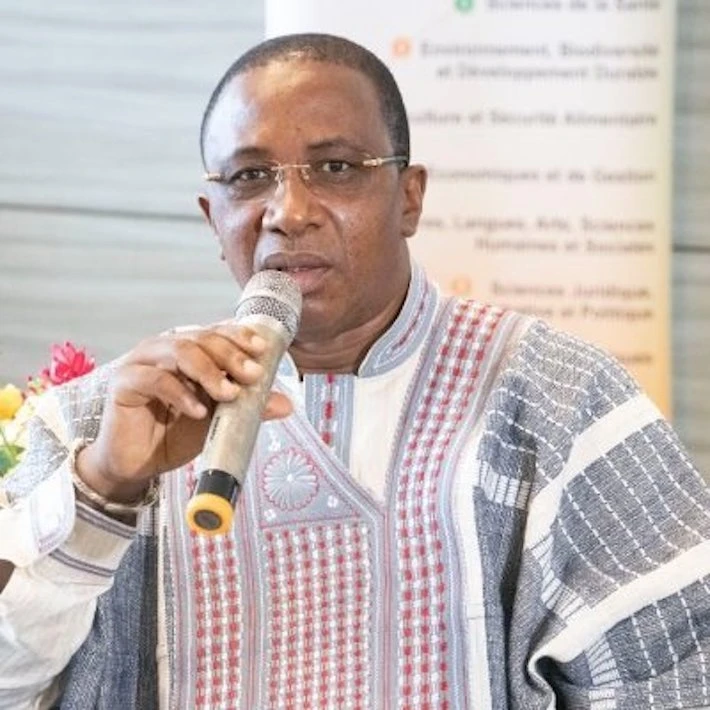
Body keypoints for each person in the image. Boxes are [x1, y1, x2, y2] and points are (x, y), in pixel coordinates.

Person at [1, 32, 709, 710]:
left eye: (336, 167)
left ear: (409, 198)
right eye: (250, 177)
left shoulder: (561, 400)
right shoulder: (100, 417)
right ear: (213, 218)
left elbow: (676, 680)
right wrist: (103, 489)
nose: (289, 213)